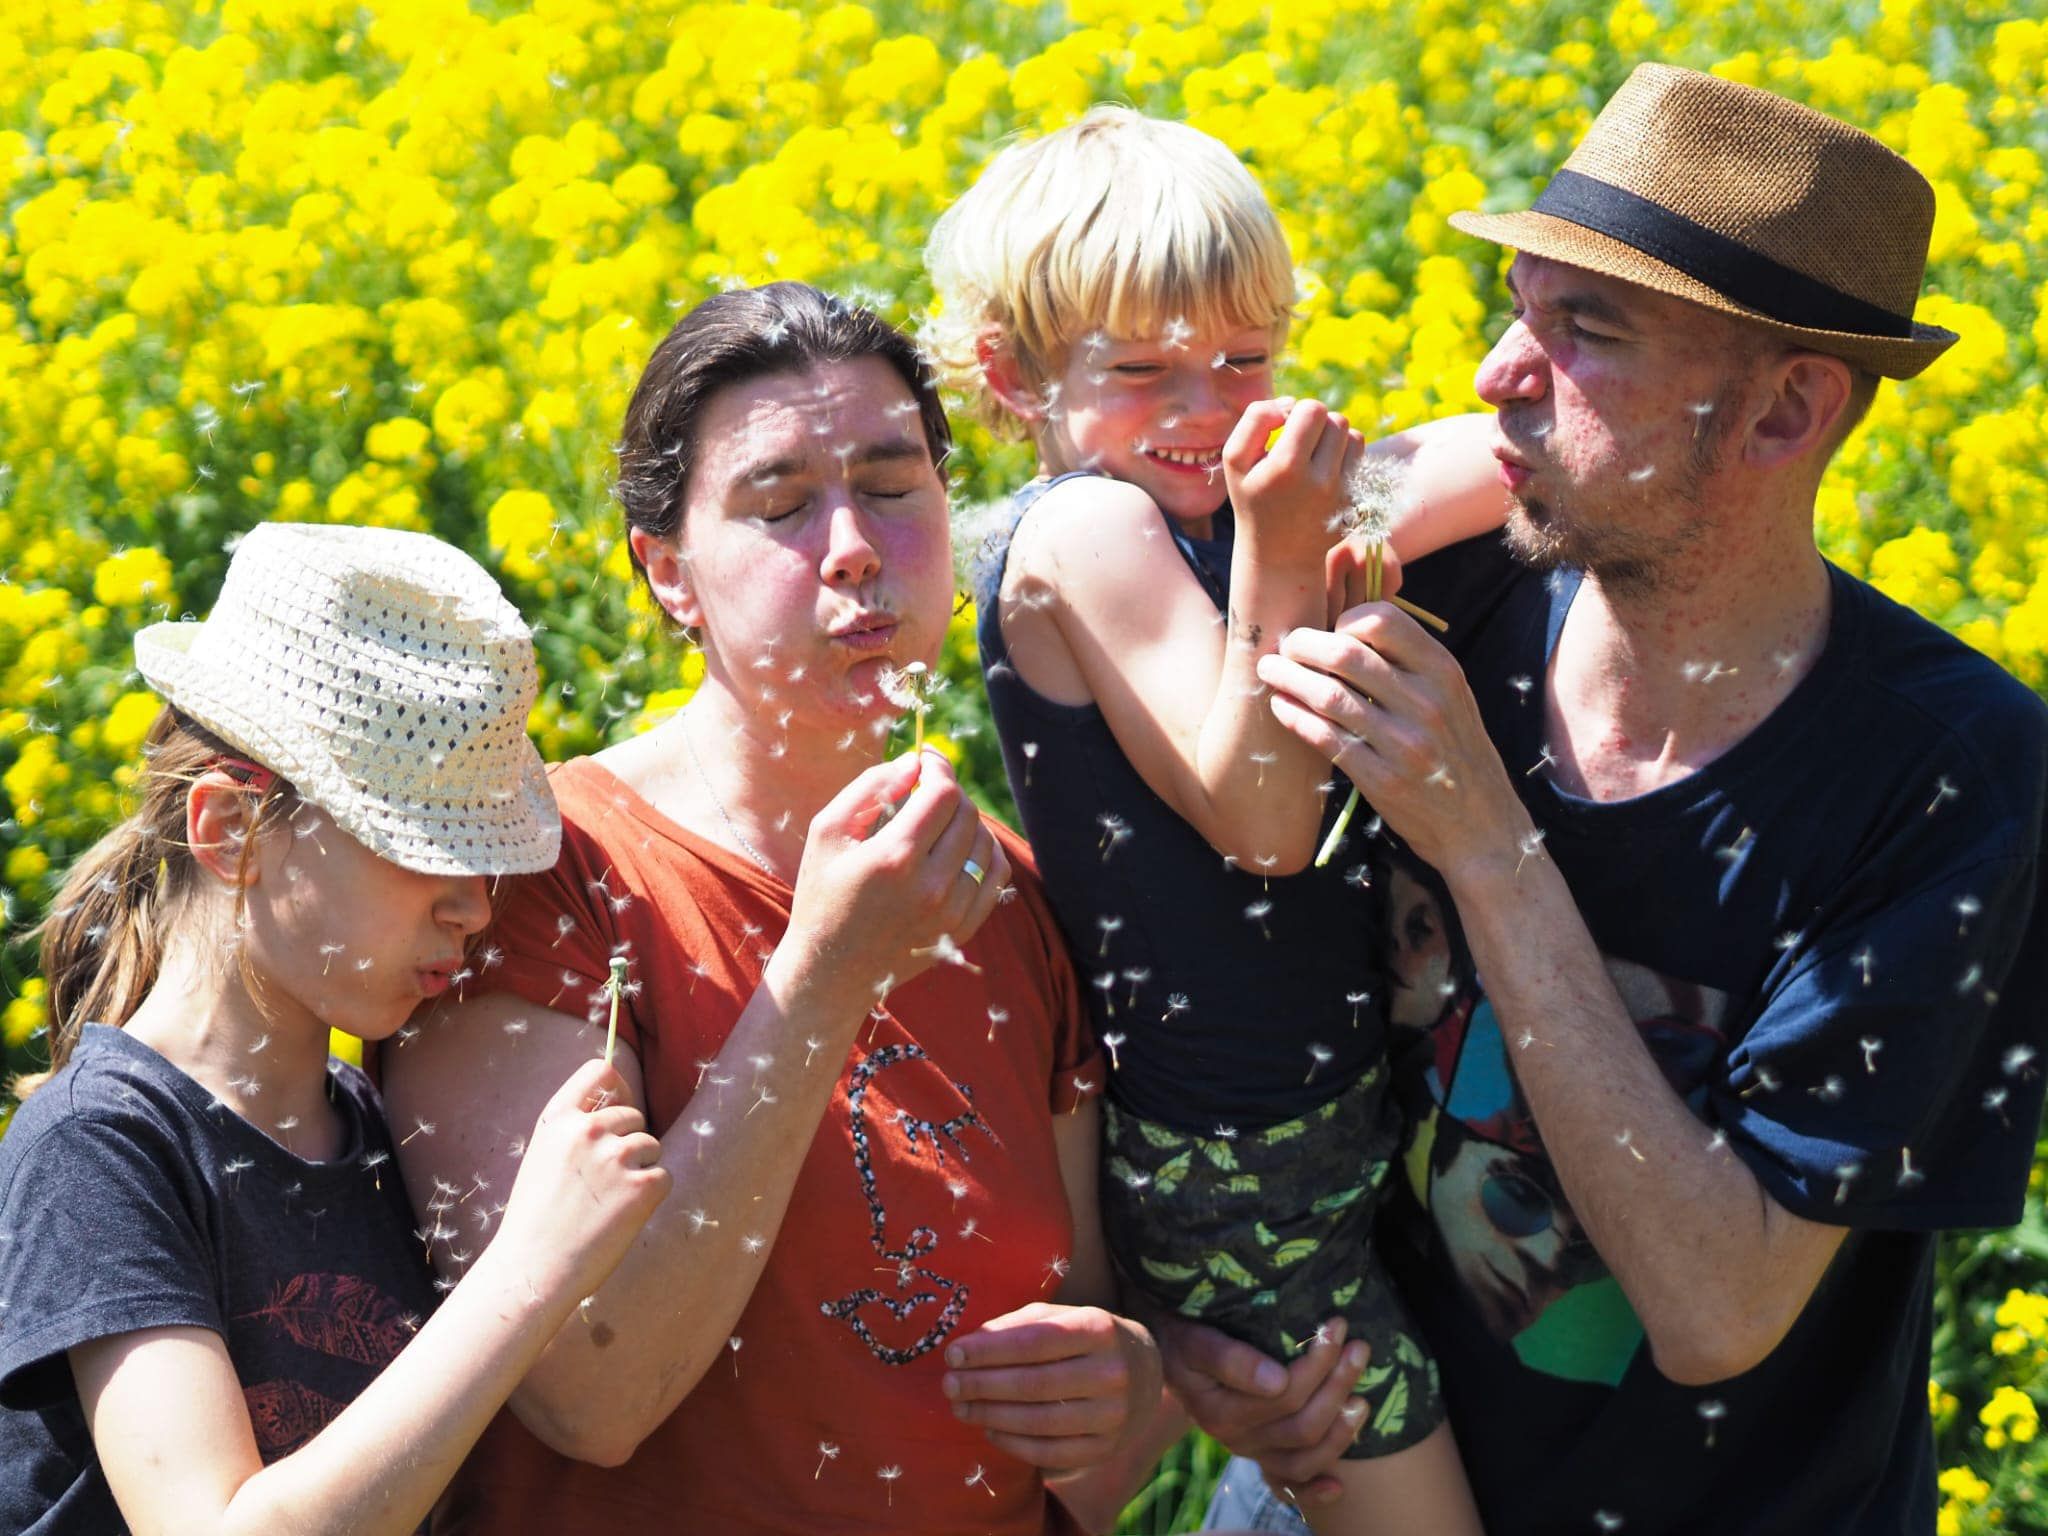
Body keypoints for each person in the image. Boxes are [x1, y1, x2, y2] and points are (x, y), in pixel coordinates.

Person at [1185, 63, 2048, 1533]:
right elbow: (1178, 956)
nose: (1496, 375)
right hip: (1332, 1490)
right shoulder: (1442, 578)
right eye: (1516, 307)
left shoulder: (1946, 775)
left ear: (1786, 414)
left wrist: (1493, 854)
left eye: (1585, 333)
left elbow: (1719, 1308)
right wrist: (1184, 1335)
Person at [383, 281, 1179, 1535]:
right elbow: (588, 1389)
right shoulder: (540, 880)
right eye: (781, 504)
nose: (855, 545)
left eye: (892, 483)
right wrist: (817, 977)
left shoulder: (1015, 895)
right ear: (668, 574)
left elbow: (1083, 1350)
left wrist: (1130, 1392)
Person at [925, 106, 1509, 1535]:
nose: (1204, 408)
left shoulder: (1219, 495)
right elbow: (1260, 812)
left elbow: (1482, 462)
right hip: (1228, 1165)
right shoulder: (1085, 531)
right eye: (1141, 372)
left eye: (1246, 360)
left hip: (1315, 1118)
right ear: (1012, 375)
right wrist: (1286, 540)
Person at [0, 522, 670, 1536]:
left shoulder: (360, 1118)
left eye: (482, 859)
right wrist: (531, 1264)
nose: (476, 909)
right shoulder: (100, 1145)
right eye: (421, 848)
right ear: (231, 831)